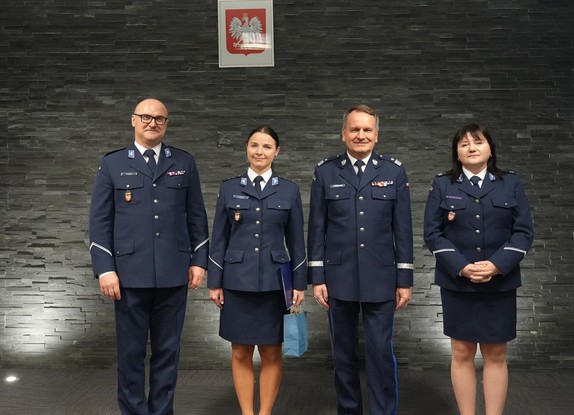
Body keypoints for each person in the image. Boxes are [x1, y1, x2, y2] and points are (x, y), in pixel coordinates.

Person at [89, 98, 209, 415]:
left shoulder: (184, 161)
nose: (152, 123)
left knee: (168, 352)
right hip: (128, 274)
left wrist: (199, 260)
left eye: (159, 118)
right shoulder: (113, 163)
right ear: (133, 120)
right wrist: (105, 269)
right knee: (130, 354)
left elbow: (197, 216)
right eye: (145, 117)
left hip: (173, 272)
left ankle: (161, 411)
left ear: (166, 124)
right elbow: (99, 221)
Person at [307, 104, 414, 415]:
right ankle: (349, 410)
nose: (361, 135)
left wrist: (404, 280)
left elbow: (403, 230)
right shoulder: (325, 171)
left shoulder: (393, 171)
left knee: (380, 353)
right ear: (344, 133)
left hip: (381, 277)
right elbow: (317, 228)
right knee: (343, 355)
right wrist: (317, 277)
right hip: (338, 277)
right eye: (354, 129)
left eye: (367, 129)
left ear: (377, 135)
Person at [423, 123, 534, 415]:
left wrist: (497, 265)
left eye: (478, 142)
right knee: (461, 352)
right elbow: (432, 233)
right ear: (456, 153)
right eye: (464, 144)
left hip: (500, 283)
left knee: (496, 353)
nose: (471, 148)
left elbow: (523, 232)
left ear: (490, 149)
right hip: (458, 283)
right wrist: (462, 267)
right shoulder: (443, 184)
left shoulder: (510, 182)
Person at [207, 125, 307, 415]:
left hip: (276, 284)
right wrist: (215, 282)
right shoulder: (229, 188)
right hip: (237, 281)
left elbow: (297, 241)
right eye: (254, 145)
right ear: (246, 149)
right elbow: (219, 239)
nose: (259, 151)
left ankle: (265, 413)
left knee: (272, 350)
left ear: (277, 152)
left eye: (266, 146)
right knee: (240, 350)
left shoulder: (288, 190)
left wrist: (299, 284)